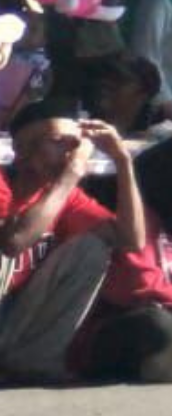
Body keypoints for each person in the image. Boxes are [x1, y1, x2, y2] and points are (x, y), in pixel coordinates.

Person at [71, 130, 172, 382]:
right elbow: (141, 285)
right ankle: (162, 362)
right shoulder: (140, 220)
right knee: (161, 325)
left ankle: (170, 361)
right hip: (127, 316)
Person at [0, 105, 125, 379]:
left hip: (15, 317)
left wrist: (122, 160)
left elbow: (129, 242)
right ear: (23, 149)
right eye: (58, 142)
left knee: (91, 250)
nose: (70, 154)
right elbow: (13, 242)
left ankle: (33, 360)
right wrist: (70, 178)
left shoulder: (63, 195)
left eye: (75, 145)